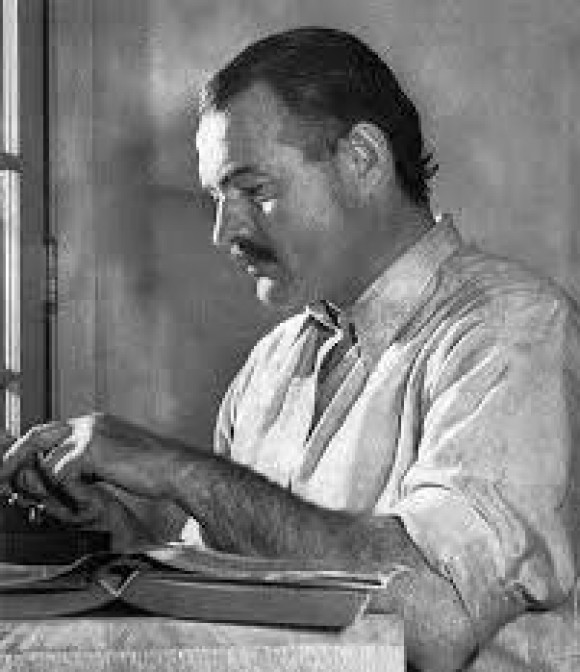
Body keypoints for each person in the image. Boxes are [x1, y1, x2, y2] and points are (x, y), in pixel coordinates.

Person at [2, 27, 579, 671]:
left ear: (363, 159)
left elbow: (435, 625)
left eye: (253, 189)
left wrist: (181, 471)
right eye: (217, 198)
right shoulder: (271, 366)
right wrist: (122, 540)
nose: (224, 230)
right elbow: (242, 607)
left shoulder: (512, 329)